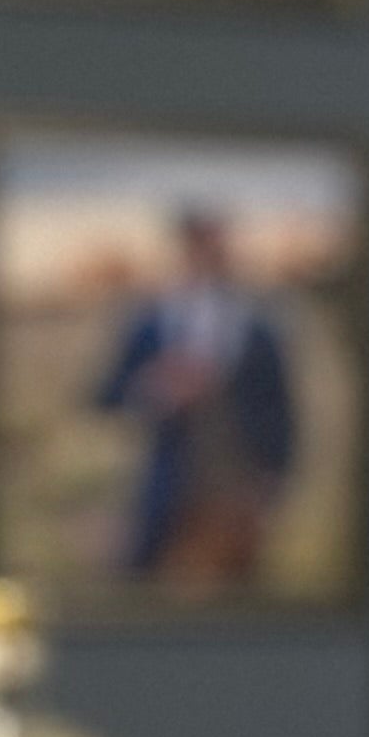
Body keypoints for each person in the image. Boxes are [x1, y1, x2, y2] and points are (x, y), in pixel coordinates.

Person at [92, 207, 298, 589]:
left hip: (235, 478)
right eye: (199, 246)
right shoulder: (151, 322)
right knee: (142, 578)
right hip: (166, 476)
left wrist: (275, 474)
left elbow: (279, 406)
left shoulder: (258, 327)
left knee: (238, 583)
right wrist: (155, 388)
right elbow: (105, 395)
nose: (209, 256)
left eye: (216, 246)